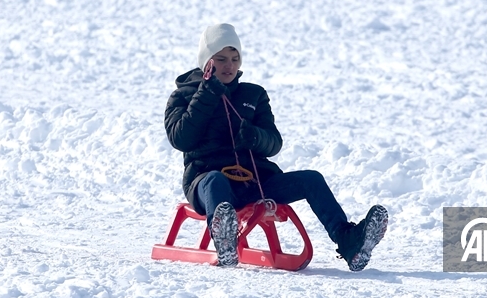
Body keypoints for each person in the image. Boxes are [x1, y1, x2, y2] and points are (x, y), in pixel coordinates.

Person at [164, 23, 387, 271]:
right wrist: (206, 94)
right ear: (207, 60)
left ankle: (349, 241)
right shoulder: (184, 95)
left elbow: (274, 142)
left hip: (254, 180)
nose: (229, 66)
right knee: (216, 180)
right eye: (221, 59)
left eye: (235, 59)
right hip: (207, 182)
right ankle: (225, 241)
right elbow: (181, 138)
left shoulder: (253, 95)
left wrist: (256, 137)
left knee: (311, 179)